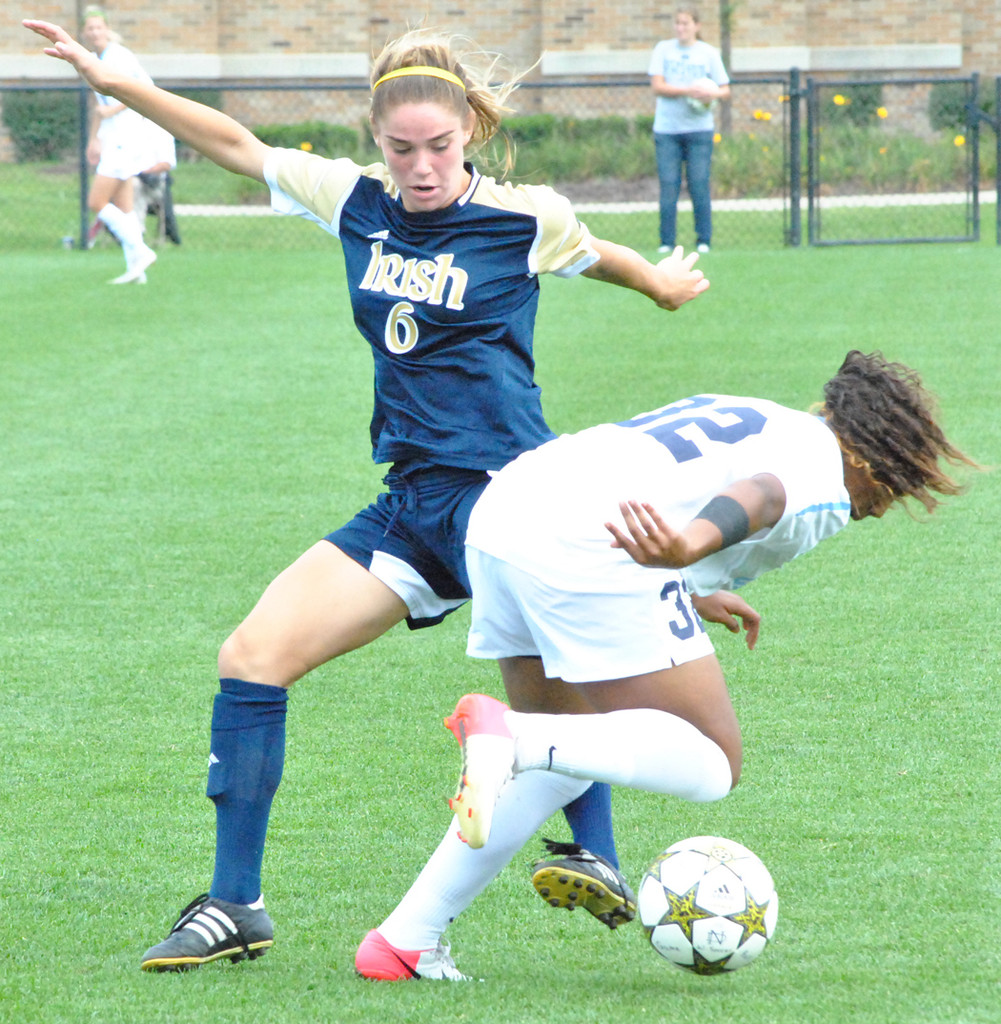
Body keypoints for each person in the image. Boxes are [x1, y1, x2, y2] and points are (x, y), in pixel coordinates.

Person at [24, 18, 710, 972]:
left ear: (469, 127)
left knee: (552, 680)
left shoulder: (524, 216)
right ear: (377, 143)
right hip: (412, 504)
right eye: (401, 150)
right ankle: (236, 904)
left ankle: (591, 848)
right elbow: (231, 141)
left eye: (437, 146)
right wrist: (116, 83)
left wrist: (663, 287)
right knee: (252, 656)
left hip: (512, 497)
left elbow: (606, 256)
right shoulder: (352, 201)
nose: (421, 167)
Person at [354, 350, 976, 980]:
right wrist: (690, 545)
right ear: (869, 454)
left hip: (507, 510)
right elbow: (761, 495)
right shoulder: (827, 477)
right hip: (593, 542)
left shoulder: (767, 417)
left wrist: (694, 582)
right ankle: (512, 734)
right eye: (896, 483)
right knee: (713, 761)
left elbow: (678, 475)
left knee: (564, 757)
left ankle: (406, 940)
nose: (886, 502)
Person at [78, 6, 159, 283]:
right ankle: (137, 271)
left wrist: (112, 112)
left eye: (99, 27)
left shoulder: (119, 57)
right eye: (90, 28)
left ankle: (141, 250)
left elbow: (137, 91)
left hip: (126, 138)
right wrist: (93, 139)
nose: (95, 32)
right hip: (113, 138)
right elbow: (99, 104)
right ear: (84, 33)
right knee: (124, 207)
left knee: (96, 201)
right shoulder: (93, 58)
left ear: (107, 29)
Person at [649, 7, 730, 254]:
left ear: (697, 26)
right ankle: (666, 242)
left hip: (700, 131)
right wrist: (688, 90)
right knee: (669, 184)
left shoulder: (708, 53)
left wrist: (710, 93)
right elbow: (657, 85)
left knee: (699, 183)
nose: (681, 28)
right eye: (677, 23)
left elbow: (725, 89)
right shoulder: (663, 49)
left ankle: (703, 240)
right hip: (667, 131)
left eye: (686, 23)